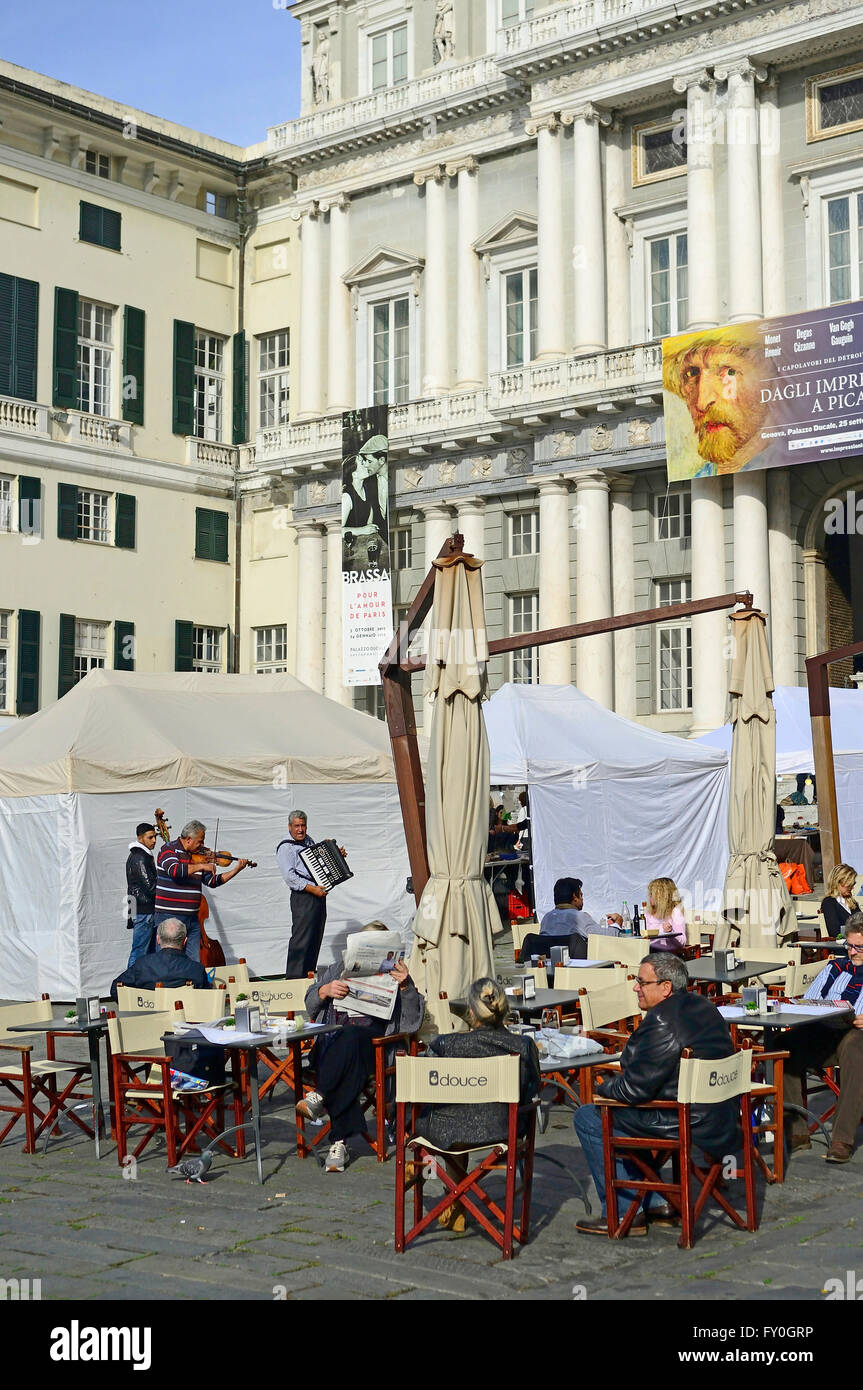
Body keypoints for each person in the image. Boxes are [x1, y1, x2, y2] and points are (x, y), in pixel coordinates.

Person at [573, 953, 738, 1235]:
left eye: (642, 981)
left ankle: (628, 1211)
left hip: (685, 1120)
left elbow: (632, 1089)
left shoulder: (662, 1021)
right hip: (721, 1114)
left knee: (590, 1117)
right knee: (622, 1119)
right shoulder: (702, 1005)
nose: (636, 987)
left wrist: (601, 1085)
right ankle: (657, 1200)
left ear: (665, 988)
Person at [299, 923, 425, 1172]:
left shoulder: (398, 973)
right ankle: (339, 1144)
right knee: (346, 1050)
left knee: (351, 1037)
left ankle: (325, 1108)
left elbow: (412, 1022)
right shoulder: (337, 968)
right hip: (334, 1046)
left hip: (375, 1048)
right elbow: (310, 1005)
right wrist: (325, 990)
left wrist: (405, 986)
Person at [422, 977, 540, 1230]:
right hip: (502, 1131)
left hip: (447, 1133)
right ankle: (456, 1197)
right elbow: (532, 1090)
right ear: (504, 1009)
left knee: (450, 1112)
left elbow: (423, 1084)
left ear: (471, 1011)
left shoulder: (444, 1045)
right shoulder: (523, 1046)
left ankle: (450, 1191)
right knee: (463, 1113)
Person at [783, 913, 863, 1163]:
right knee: (782, 1046)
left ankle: (841, 1139)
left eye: (859, 947)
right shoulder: (834, 967)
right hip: (826, 1032)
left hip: (857, 1036)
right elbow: (810, 1000)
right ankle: (796, 1131)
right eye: (849, 945)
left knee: (855, 1049)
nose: (852, 952)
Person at [662, 324, 776, 476]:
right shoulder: (702, 475)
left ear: (770, 378)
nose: (702, 402)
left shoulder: (783, 457)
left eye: (729, 372)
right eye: (692, 373)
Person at [155, 819, 249, 963]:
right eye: (200, 841)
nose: (203, 846)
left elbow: (212, 881)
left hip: (192, 918)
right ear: (188, 839)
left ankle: (194, 984)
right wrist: (201, 866)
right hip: (170, 917)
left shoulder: (199, 856)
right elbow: (175, 870)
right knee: (168, 960)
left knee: (194, 961)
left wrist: (236, 870)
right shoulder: (168, 849)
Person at [277, 810, 347, 978]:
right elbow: (290, 877)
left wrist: (338, 856)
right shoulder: (286, 847)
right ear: (289, 827)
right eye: (296, 826)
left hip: (318, 896)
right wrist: (312, 889)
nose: (300, 829)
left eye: (302, 825)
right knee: (301, 940)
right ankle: (294, 980)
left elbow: (319, 865)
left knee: (315, 938)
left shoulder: (309, 842)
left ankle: (307, 978)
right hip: (303, 896)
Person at [519, 877, 622, 962]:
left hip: (549, 969)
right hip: (577, 969)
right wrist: (618, 922)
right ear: (574, 897)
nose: (582, 899)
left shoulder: (547, 918)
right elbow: (610, 937)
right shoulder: (579, 917)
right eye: (581, 895)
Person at [110, 917, 211, 999]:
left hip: (149, 1019)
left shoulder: (142, 965)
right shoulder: (196, 969)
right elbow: (205, 1000)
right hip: (184, 1021)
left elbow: (116, 989)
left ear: (158, 939)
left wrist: (136, 1006)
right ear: (185, 942)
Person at [125, 822, 157, 967]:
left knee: (146, 952)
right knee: (139, 952)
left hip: (143, 909)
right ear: (140, 839)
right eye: (150, 837)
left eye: (155, 837)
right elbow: (150, 887)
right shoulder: (140, 858)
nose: (154, 840)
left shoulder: (141, 856)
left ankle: (139, 983)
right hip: (145, 910)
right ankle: (128, 984)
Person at [642, 877, 687, 951]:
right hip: (647, 950)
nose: (650, 896)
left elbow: (683, 941)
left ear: (664, 896)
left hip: (665, 954)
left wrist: (671, 933)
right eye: (649, 893)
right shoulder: (648, 913)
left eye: (652, 893)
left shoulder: (675, 913)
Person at [821, 864, 859, 939]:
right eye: (849, 885)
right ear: (837, 882)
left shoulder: (852, 902)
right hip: (843, 946)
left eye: (853, 884)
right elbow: (834, 931)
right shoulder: (829, 902)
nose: (852, 888)